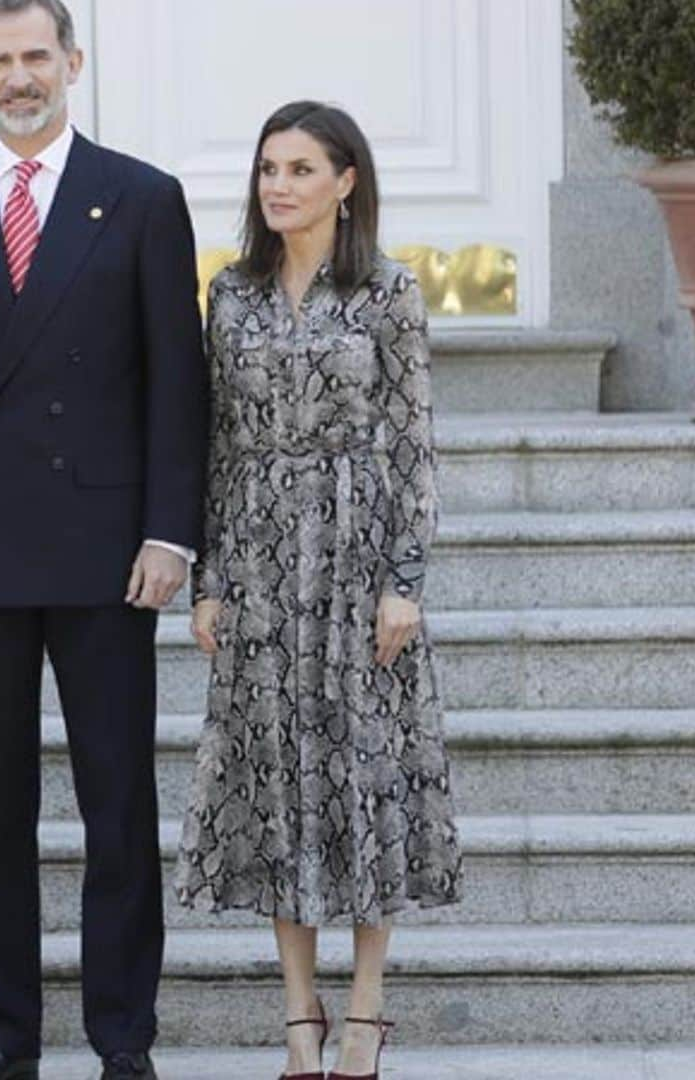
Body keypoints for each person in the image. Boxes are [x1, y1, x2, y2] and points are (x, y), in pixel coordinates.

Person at [0, 2, 207, 1077]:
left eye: (36, 57)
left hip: (110, 550)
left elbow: (177, 380)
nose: (20, 77)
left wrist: (172, 531)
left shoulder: (145, 198)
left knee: (118, 805)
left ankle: (124, 1041)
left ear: (73, 62)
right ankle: (3, 1041)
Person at [173, 101, 464, 1080]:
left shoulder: (389, 292)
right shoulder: (232, 295)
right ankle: (300, 1014)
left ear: (347, 181)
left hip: (355, 555)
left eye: (301, 168)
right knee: (273, 785)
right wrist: (208, 583)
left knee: (364, 774)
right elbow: (214, 442)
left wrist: (403, 582)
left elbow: (412, 440)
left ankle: (369, 1008)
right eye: (268, 169)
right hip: (256, 558)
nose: (280, 186)